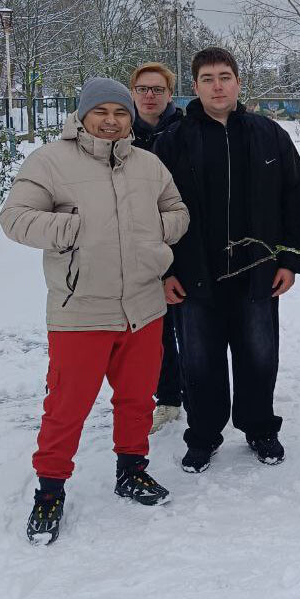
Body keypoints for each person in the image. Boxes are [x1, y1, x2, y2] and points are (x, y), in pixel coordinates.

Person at [0, 77, 189, 544]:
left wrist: (154, 234)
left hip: (143, 306)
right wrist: (74, 228)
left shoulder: (148, 164)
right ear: (82, 116)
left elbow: (178, 211)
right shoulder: (50, 161)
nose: (111, 121)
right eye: (100, 112)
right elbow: (14, 218)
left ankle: (132, 469)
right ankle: (50, 490)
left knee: (137, 399)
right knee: (67, 407)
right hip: (80, 309)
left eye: (120, 113)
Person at [154, 47, 300, 473]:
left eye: (225, 77)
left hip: (257, 273)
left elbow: (294, 196)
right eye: (207, 79)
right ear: (195, 87)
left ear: (238, 83)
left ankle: (260, 427)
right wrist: (166, 271)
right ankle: (203, 435)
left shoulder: (268, 134)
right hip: (195, 276)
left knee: (259, 355)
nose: (217, 86)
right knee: (199, 361)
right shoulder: (173, 141)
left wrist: (290, 259)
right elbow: (153, 212)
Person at [128, 62, 186, 433]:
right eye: (143, 89)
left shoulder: (185, 131)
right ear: (132, 92)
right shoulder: (119, 133)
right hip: (137, 245)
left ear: (169, 94)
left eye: (158, 90)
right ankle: (167, 397)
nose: (150, 96)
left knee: (190, 325)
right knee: (154, 329)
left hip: (182, 238)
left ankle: (197, 393)